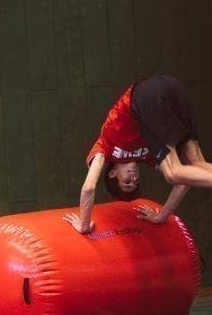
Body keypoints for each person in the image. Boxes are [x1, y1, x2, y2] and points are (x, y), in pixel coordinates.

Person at [63, 75, 212, 233]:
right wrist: (161, 216)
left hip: (144, 97)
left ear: (113, 173)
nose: (133, 179)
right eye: (135, 182)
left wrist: (84, 226)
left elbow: (88, 187)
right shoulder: (145, 155)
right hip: (174, 90)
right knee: (196, 164)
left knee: (172, 174)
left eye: (127, 183)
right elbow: (186, 180)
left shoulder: (105, 148)